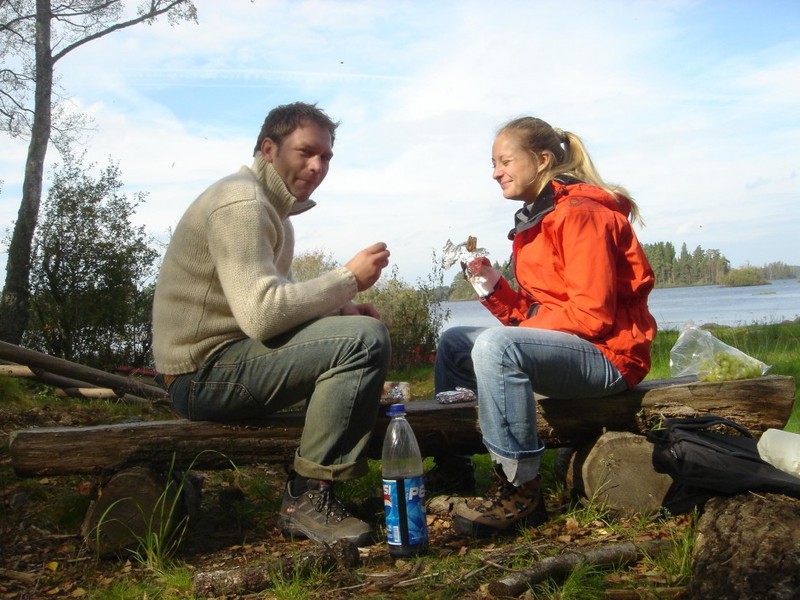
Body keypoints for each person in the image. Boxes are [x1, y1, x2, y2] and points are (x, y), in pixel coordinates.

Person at [151, 102, 392, 547]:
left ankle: (314, 487)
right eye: (306, 152)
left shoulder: (271, 209)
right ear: (268, 149)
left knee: (355, 332)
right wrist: (346, 280)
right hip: (200, 377)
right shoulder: (241, 203)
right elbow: (262, 314)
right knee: (362, 342)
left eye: (326, 157)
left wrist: (342, 310)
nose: (317, 166)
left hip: (222, 365)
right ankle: (308, 497)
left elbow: (280, 297)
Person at [436, 116, 657, 537]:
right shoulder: (539, 218)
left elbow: (591, 316)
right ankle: (452, 465)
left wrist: (522, 327)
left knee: (495, 347)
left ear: (541, 160)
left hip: (611, 357)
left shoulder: (581, 214)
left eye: (504, 161)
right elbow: (533, 317)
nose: (495, 172)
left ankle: (520, 488)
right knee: (454, 343)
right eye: (493, 163)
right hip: (573, 345)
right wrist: (493, 286)